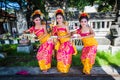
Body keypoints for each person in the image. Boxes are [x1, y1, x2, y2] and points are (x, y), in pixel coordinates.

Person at [52, 9, 77, 73]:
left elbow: (69, 34)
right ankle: (61, 68)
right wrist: (55, 37)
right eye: (57, 18)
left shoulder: (65, 26)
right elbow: (54, 35)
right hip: (61, 43)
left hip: (67, 42)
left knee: (66, 55)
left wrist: (62, 37)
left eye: (60, 18)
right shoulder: (55, 27)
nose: (59, 19)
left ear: (62, 18)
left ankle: (65, 68)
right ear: (56, 19)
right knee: (59, 55)